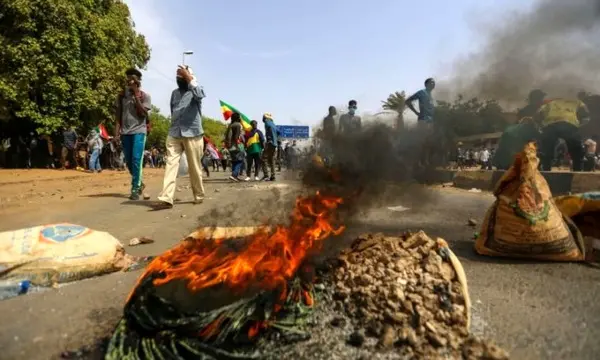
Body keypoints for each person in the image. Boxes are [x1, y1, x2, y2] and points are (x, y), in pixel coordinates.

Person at [152, 65, 206, 209]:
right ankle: (166, 198)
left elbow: (200, 95)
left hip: (193, 133)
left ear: (188, 77)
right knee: (170, 164)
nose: (179, 78)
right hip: (175, 132)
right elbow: (172, 110)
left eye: (181, 75)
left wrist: (189, 77)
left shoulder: (195, 90)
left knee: (194, 167)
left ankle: (199, 195)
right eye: (177, 76)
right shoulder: (174, 93)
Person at [114, 68, 152, 200]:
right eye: (128, 78)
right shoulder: (121, 96)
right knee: (129, 162)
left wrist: (136, 94)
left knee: (136, 159)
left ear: (138, 81)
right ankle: (140, 182)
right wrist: (116, 133)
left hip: (139, 131)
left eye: (132, 79)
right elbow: (118, 115)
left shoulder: (144, 96)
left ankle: (135, 189)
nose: (129, 81)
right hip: (125, 132)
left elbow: (143, 113)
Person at [531, 89, 590, 171]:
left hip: (550, 124)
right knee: (577, 152)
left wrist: (541, 126)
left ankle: (546, 170)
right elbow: (586, 116)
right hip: (569, 124)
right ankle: (578, 171)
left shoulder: (549, 103)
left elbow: (537, 114)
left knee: (547, 150)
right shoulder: (577, 101)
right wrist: (579, 125)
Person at [225, 112, 244, 181]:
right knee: (240, 160)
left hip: (229, 146)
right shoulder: (238, 125)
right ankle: (233, 175)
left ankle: (234, 176)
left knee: (234, 161)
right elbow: (236, 137)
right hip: (236, 145)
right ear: (238, 118)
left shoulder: (230, 125)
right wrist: (238, 145)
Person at [261, 112, 278, 181]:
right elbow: (278, 132)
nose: (263, 119)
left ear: (266, 118)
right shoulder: (273, 124)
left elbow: (270, 129)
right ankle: (273, 176)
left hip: (270, 143)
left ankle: (266, 176)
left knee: (263, 159)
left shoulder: (267, 122)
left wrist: (270, 139)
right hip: (274, 144)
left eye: (264, 117)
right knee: (272, 160)